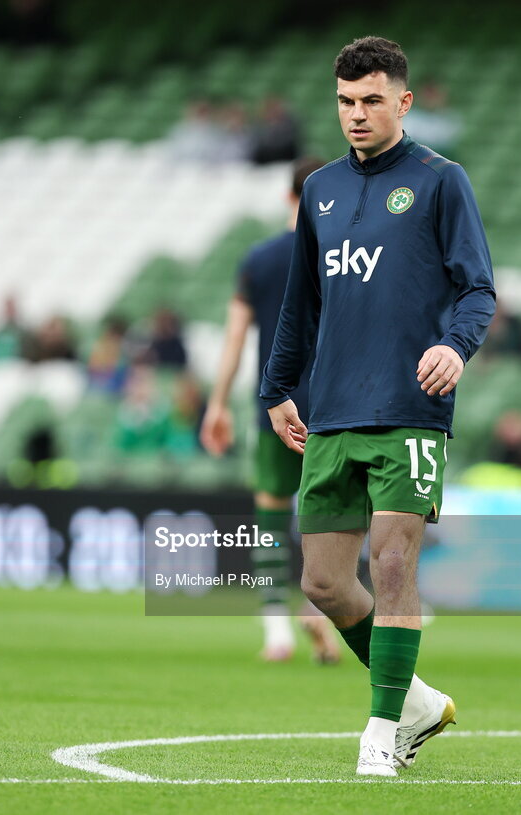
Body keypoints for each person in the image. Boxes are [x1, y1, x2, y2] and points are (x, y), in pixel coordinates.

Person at [261, 37, 495, 776]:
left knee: (393, 565)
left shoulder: (439, 181)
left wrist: (456, 346)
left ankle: (381, 729)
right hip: (331, 408)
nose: (356, 115)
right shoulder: (320, 190)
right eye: (344, 102)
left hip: (409, 407)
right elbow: (300, 303)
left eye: (370, 100)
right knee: (324, 581)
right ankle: (419, 699)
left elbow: (479, 287)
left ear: (404, 100)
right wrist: (277, 388)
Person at [201, 157, 340, 665]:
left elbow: (236, 334)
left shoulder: (258, 260)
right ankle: (319, 605)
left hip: (276, 406)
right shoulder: (341, 256)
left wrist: (216, 404)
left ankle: (275, 630)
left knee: (270, 513)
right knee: (333, 516)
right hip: (334, 405)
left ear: (287, 198)